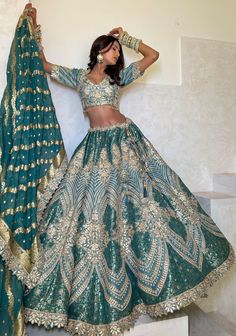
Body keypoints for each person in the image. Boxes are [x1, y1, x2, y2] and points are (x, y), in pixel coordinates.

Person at [22, 3, 234, 336]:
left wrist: (130, 38)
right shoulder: (79, 77)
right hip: (95, 148)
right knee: (89, 215)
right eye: (112, 48)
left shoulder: (117, 78)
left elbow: (154, 55)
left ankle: (152, 283)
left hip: (126, 143)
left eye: (117, 49)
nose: (116, 52)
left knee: (145, 207)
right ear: (99, 52)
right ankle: (104, 292)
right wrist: (33, 28)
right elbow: (45, 64)